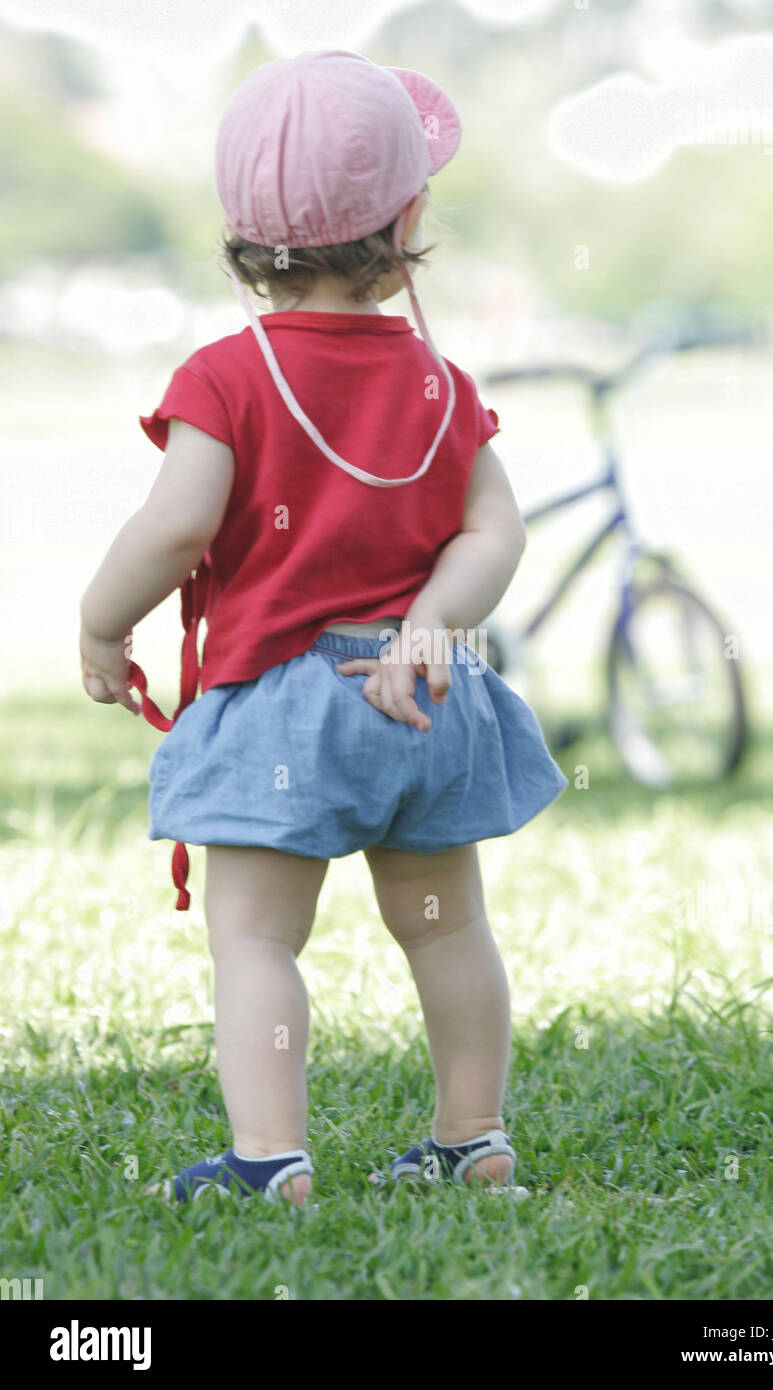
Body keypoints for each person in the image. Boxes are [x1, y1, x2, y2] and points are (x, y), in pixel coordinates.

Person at [78, 49, 568, 1207]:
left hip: (282, 712)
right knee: (444, 927)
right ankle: (471, 1137)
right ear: (405, 224)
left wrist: (103, 624)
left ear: (242, 236)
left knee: (256, 941)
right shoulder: (441, 381)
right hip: (420, 694)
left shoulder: (226, 377)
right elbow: (494, 529)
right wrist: (431, 623)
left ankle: (269, 1160)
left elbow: (174, 526)